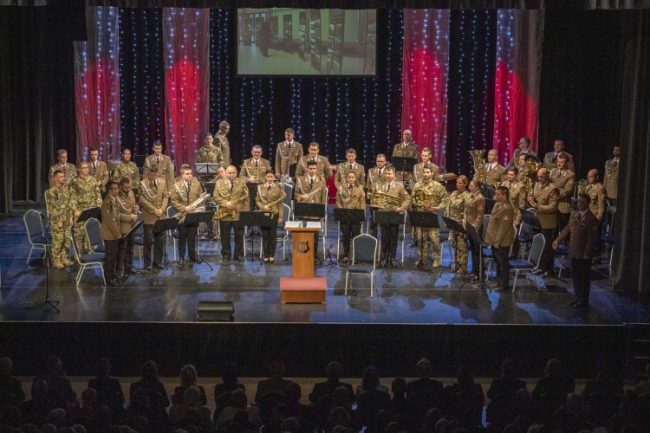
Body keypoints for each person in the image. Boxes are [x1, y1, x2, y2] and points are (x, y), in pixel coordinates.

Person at [553, 194, 599, 308]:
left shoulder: (591, 219)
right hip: (574, 250)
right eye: (579, 202)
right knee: (576, 276)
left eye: (582, 202)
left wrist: (587, 254)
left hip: (583, 253)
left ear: (588, 203)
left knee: (583, 277)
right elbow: (568, 228)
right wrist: (557, 240)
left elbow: (591, 239)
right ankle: (577, 296)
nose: (580, 204)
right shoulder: (574, 214)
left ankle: (584, 299)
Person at [410, 164, 446, 269]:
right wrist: (419, 204)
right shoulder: (417, 185)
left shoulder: (437, 186)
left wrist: (437, 207)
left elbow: (446, 200)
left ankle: (436, 258)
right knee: (420, 238)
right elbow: (412, 199)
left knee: (434, 239)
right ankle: (422, 258)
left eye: (427, 172)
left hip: (432, 215)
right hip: (421, 215)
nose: (425, 174)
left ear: (432, 173)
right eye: (424, 172)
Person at [171, 164, 207, 265]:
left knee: (192, 236)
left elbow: (201, 198)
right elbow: (174, 202)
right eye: (187, 174)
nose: (190, 176)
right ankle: (181, 257)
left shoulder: (197, 184)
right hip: (182, 216)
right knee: (182, 237)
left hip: (193, 215)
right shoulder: (176, 186)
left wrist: (199, 209)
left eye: (191, 174)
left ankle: (192, 256)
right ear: (182, 175)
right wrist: (184, 208)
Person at [377, 166, 411, 267]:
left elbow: (408, 198)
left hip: (394, 215)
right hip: (383, 214)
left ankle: (392, 257)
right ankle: (383, 257)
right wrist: (376, 202)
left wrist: (401, 208)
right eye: (386, 174)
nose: (388, 176)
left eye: (390, 174)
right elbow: (375, 200)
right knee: (383, 237)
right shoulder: (380, 185)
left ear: (394, 175)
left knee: (393, 236)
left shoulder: (399, 186)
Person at [214, 165, 249, 262]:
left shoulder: (242, 182)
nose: (231, 175)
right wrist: (225, 203)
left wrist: (246, 213)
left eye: (233, 173)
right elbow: (216, 196)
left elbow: (246, 198)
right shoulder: (219, 183)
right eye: (229, 173)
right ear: (226, 173)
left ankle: (238, 254)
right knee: (225, 235)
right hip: (225, 214)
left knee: (239, 235)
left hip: (238, 214)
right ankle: (226, 254)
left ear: (236, 173)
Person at [529, 168, 560, 278]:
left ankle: (549, 269)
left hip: (548, 221)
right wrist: (531, 201)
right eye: (538, 176)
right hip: (537, 218)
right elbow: (535, 199)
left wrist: (538, 206)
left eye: (541, 176)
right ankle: (540, 266)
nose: (539, 178)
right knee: (539, 244)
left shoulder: (553, 189)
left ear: (547, 175)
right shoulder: (537, 185)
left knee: (547, 247)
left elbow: (553, 207)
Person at [294, 160, 328, 258]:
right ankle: (303, 255)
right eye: (310, 169)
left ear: (317, 169)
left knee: (315, 237)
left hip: (315, 212)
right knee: (303, 235)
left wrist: (322, 213)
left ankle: (313, 256)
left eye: (314, 168)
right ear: (307, 169)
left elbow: (323, 198)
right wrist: (302, 197)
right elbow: (295, 194)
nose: (312, 171)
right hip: (303, 211)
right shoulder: (300, 180)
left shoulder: (321, 181)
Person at [485, 186, 516, 291]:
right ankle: (499, 281)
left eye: (498, 194)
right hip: (494, 239)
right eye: (496, 193)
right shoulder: (497, 204)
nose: (496, 195)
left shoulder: (506, 208)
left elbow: (504, 228)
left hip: (502, 241)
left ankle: (504, 284)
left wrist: (497, 241)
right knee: (497, 262)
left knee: (503, 263)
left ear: (504, 195)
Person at [70, 162, 102, 256]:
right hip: (80, 210)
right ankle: (78, 253)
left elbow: (98, 195)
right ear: (79, 170)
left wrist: (99, 206)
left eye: (87, 167)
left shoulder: (92, 180)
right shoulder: (74, 182)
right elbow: (71, 197)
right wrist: (75, 210)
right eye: (83, 168)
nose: (86, 169)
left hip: (91, 210)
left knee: (89, 231)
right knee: (79, 233)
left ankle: (88, 250)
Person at [138, 165, 167, 270]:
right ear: (148, 173)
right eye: (151, 174)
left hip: (160, 216)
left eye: (155, 174)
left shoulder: (162, 182)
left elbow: (165, 197)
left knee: (160, 240)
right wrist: (154, 210)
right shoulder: (143, 184)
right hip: (149, 216)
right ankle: (147, 263)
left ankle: (158, 262)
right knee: (148, 241)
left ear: (158, 173)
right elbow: (142, 199)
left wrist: (162, 210)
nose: (153, 176)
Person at [45, 170, 75, 269]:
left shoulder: (66, 189)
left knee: (66, 239)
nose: (63, 178)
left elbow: (69, 204)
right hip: (58, 220)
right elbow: (52, 208)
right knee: (58, 240)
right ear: (55, 178)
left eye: (63, 176)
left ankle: (64, 257)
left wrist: (71, 217)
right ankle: (56, 259)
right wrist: (58, 220)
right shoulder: (52, 191)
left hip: (67, 218)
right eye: (61, 177)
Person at [256, 171, 286, 263]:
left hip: (274, 214)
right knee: (265, 235)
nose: (269, 178)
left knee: (272, 236)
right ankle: (266, 255)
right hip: (263, 213)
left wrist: (280, 216)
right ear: (265, 177)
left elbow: (281, 204)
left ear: (274, 178)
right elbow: (257, 200)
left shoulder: (278, 188)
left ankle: (271, 255)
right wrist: (263, 207)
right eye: (268, 177)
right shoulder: (260, 187)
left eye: (271, 177)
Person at [336, 171, 365, 263]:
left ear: (355, 178)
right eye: (349, 177)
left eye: (353, 177)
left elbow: (362, 202)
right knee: (345, 236)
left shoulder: (360, 189)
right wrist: (342, 211)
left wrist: (362, 216)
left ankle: (356, 256)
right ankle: (346, 254)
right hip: (344, 216)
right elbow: (338, 200)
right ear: (347, 178)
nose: (351, 179)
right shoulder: (341, 188)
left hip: (356, 216)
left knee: (356, 236)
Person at [446, 176, 471, 273]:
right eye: (457, 183)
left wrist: (464, 222)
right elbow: (448, 207)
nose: (458, 185)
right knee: (454, 244)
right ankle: (457, 264)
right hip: (452, 223)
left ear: (465, 184)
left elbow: (467, 211)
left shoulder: (466, 195)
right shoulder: (453, 193)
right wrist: (447, 220)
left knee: (462, 245)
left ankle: (463, 266)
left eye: (460, 183)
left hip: (461, 224)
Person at [100, 181, 122, 285]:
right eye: (116, 189)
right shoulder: (106, 202)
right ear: (110, 191)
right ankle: (108, 278)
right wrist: (117, 232)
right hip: (109, 233)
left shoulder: (114, 200)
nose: (118, 190)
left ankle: (112, 275)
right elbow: (109, 220)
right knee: (110, 256)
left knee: (113, 255)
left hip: (114, 232)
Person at [115, 178, 138, 278]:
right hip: (123, 226)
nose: (128, 189)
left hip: (132, 225)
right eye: (126, 187)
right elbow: (116, 214)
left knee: (130, 248)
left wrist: (135, 210)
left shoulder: (131, 193)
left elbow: (132, 206)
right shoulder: (116, 196)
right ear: (120, 186)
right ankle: (119, 270)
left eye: (129, 187)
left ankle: (129, 266)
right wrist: (129, 217)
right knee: (122, 250)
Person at [464, 180, 486, 279]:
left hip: (475, 227)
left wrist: (476, 228)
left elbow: (480, 215)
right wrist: (464, 219)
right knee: (472, 249)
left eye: (472, 186)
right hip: (468, 225)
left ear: (477, 187)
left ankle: (479, 272)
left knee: (477, 250)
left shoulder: (480, 198)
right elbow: (466, 210)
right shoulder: (470, 195)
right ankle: (474, 270)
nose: (469, 187)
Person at [241, 145, 272, 211]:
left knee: (261, 209)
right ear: (252, 152)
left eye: (258, 152)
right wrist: (249, 179)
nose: (257, 154)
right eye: (255, 152)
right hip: (249, 189)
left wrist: (261, 180)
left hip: (262, 188)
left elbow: (270, 176)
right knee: (250, 208)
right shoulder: (246, 162)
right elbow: (241, 176)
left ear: (261, 153)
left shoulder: (266, 162)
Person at [549, 155, 576, 233]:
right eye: (558, 162)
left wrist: (553, 193)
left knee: (563, 228)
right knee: (553, 227)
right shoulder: (553, 171)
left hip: (562, 206)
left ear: (566, 163)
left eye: (561, 162)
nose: (559, 164)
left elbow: (567, 191)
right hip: (552, 204)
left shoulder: (570, 175)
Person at [366, 154, 388, 238]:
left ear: (385, 162)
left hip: (384, 199)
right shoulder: (371, 171)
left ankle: (384, 238)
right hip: (373, 200)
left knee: (383, 220)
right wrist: (367, 200)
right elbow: (368, 185)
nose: (380, 163)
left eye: (382, 161)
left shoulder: (389, 170)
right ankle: (373, 237)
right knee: (374, 219)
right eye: (378, 161)